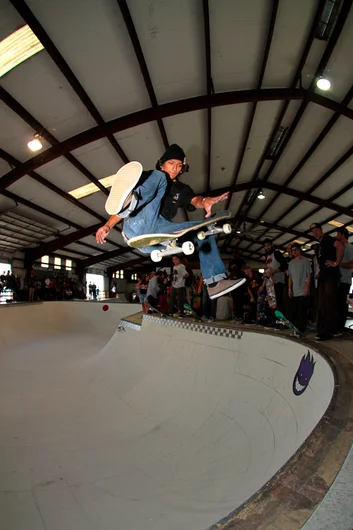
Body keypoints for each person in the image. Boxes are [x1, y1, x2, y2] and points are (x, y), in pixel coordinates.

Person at [96, 144, 245, 299]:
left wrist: (205, 201)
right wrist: (108, 225)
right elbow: (153, 182)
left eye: (179, 165)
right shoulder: (151, 176)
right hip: (136, 223)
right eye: (171, 163)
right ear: (162, 164)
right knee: (159, 178)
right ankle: (130, 201)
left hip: (157, 234)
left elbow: (196, 200)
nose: (174, 168)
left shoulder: (181, 189)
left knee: (204, 230)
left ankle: (215, 283)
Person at [310, 222, 344, 341]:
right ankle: (322, 330)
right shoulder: (320, 244)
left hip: (331, 276)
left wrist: (336, 263)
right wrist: (320, 272)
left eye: (316, 231)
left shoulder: (328, 239)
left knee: (329, 305)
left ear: (321, 230)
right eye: (313, 232)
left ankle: (329, 331)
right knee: (322, 305)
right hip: (324, 276)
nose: (315, 233)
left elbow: (340, 246)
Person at [326, 227, 353, 335]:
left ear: (342, 234)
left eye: (337, 233)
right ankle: (334, 327)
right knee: (335, 304)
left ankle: (340, 329)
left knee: (342, 304)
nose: (336, 236)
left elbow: (352, 264)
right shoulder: (338, 247)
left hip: (345, 279)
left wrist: (337, 264)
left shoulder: (350, 247)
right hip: (336, 279)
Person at [288, 243, 312, 333]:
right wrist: (289, 289)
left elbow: (309, 274)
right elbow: (290, 277)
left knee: (302, 310)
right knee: (295, 310)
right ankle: (296, 327)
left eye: (295, 250)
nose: (294, 252)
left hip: (303, 290)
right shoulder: (291, 263)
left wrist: (307, 288)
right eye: (292, 250)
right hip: (294, 291)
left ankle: (302, 328)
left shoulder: (305, 261)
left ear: (299, 250)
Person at [263, 238, 287, 313]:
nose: (267, 247)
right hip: (270, 283)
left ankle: (280, 321)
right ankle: (273, 320)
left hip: (278, 281)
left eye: (268, 245)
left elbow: (284, 266)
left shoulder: (277, 253)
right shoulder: (267, 256)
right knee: (272, 302)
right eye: (265, 246)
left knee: (279, 302)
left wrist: (274, 272)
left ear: (271, 245)